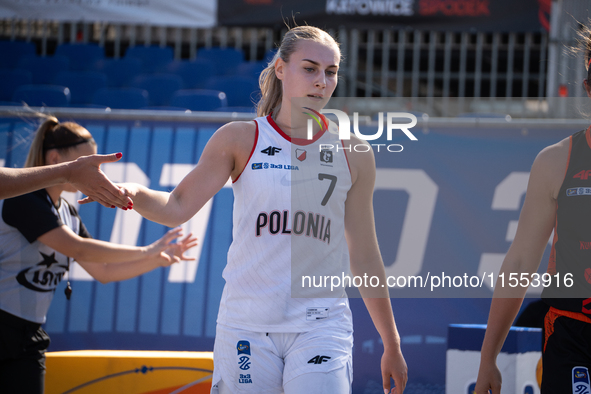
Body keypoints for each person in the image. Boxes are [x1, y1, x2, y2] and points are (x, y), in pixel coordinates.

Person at [94, 26, 407, 393]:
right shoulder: (240, 137)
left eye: (331, 71)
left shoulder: (354, 152)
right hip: (245, 324)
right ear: (280, 69)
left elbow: (366, 255)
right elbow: (176, 205)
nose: (322, 81)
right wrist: (128, 191)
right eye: (310, 68)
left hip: (322, 325)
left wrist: (392, 343)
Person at [0, 116, 198, 394]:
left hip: (29, 337)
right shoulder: (24, 200)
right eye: (87, 164)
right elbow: (77, 248)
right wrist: (147, 249)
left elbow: (102, 271)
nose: (98, 173)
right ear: (56, 157)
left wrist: (156, 259)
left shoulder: (67, 213)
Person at [475, 25, 591, 394]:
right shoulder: (558, 161)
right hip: (574, 338)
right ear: (588, 88)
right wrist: (488, 357)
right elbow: (522, 261)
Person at [0, 152, 132, 208]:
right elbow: (79, 251)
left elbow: (101, 267)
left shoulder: (67, 210)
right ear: (55, 158)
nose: (96, 172)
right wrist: (70, 172)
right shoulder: (26, 203)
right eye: (83, 158)